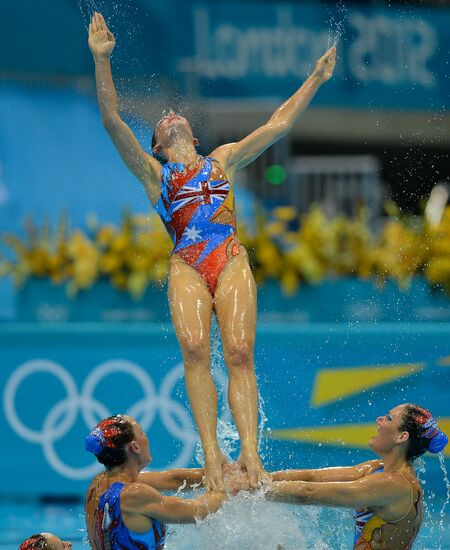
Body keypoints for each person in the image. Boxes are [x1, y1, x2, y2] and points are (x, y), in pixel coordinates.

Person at [87, 11, 336, 489]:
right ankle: (214, 457)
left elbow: (277, 125)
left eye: (176, 116)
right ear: (157, 147)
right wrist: (102, 60)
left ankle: (250, 454)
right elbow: (112, 120)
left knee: (240, 353)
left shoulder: (223, 158)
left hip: (230, 257)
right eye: (162, 122)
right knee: (197, 349)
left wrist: (315, 79)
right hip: (187, 262)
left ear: (194, 138)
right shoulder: (153, 176)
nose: (170, 117)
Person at [265, 403, 448, 549]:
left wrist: (253, 488)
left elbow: (307, 492)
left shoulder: (394, 484)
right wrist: (262, 477)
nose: (380, 420)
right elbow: (312, 477)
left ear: (402, 437)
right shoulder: (378, 468)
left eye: (388, 418)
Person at [84, 414, 225, 550]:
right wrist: (225, 487)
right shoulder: (134, 495)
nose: (146, 437)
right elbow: (199, 510)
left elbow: (172, 479)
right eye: (142, 432)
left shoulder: (98, 483)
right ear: (135, 447)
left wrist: (222, 473)